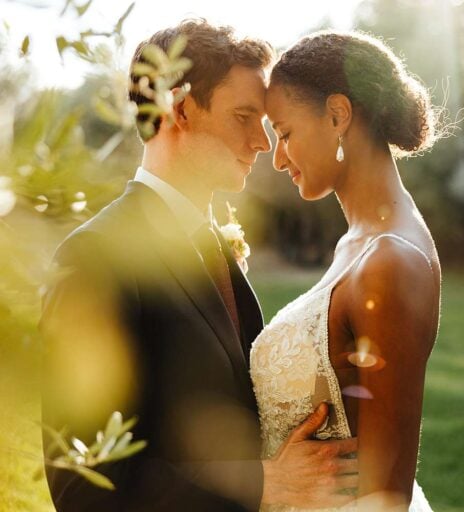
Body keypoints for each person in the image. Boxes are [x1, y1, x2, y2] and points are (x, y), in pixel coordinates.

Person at [40, 20, 357, 512]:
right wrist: (258, 484)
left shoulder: (214, 244)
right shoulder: (94, 258)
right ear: (180, 108)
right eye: (245, 117)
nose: (262, 143)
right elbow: (79, 481)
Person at [253, 30, 443, 511]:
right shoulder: (356, 243)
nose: (277, 158)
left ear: (337, 115)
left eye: (285, 133)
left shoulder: (390, 262)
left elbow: (386, 497)